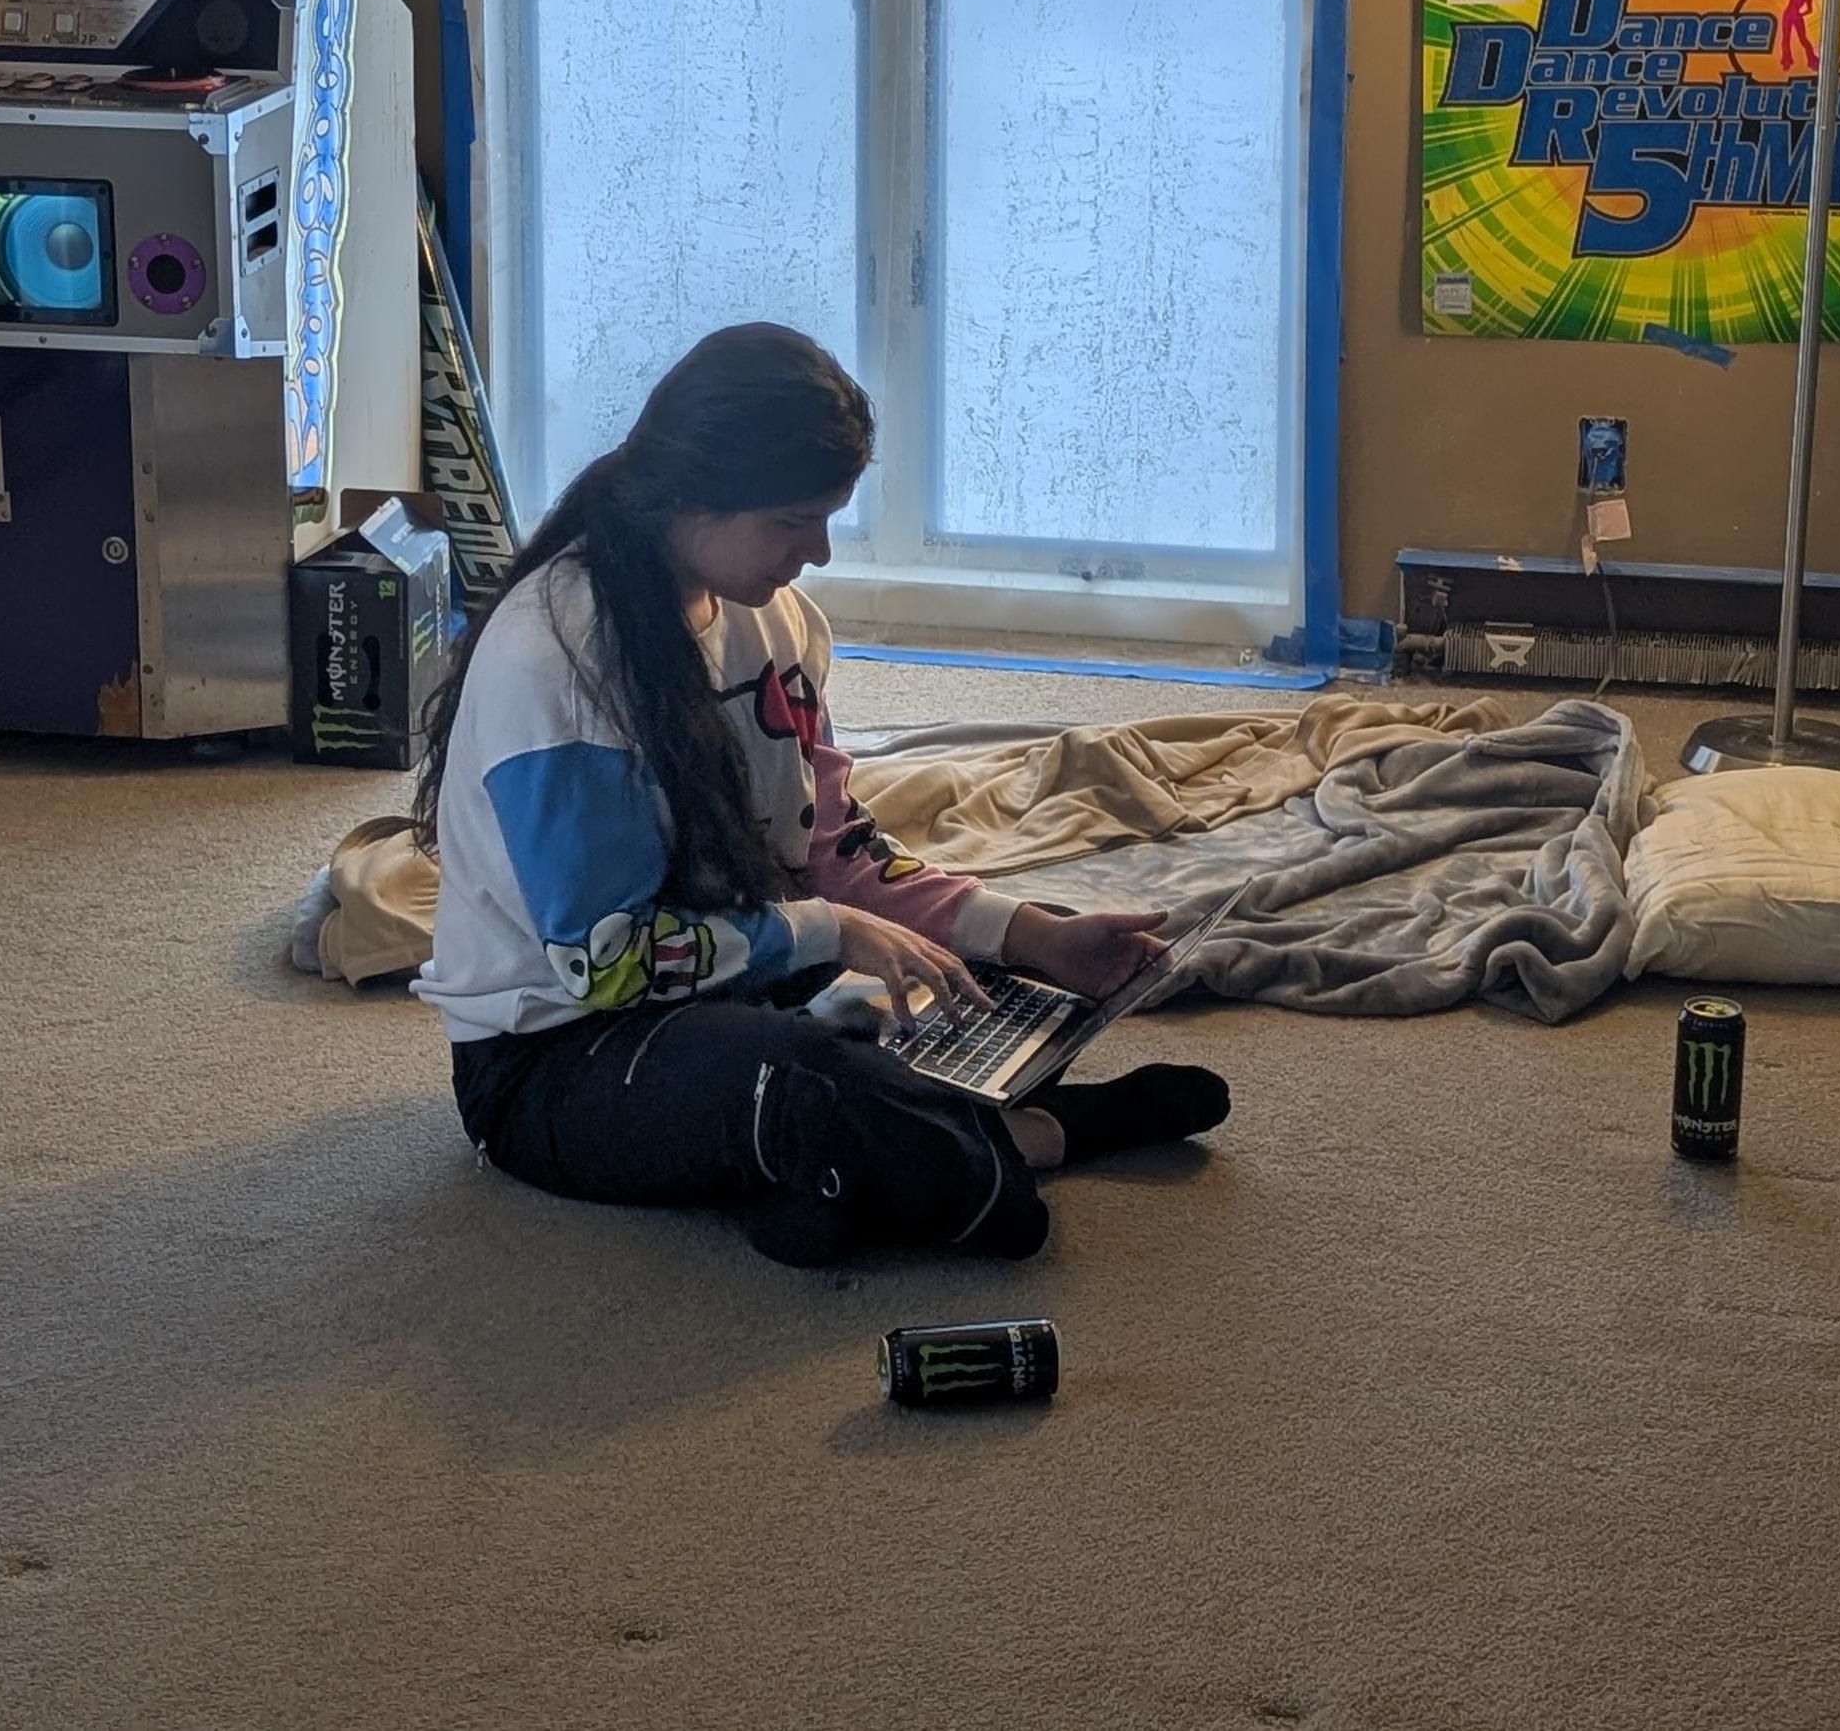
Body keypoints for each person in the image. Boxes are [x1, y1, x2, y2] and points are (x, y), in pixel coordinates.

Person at [412, 324, 1231, 1265]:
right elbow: (605, 965)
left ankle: (823, 1173)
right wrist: (826, 932)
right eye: (794, 521)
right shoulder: (554, 656)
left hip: (736, 985)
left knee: (942, 995)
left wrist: (1033, 935)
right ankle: (1035, 1138)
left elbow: (831, 850)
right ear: (694, 492)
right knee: (828, 1094)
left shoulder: (779, 622)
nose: (823, 553)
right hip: (553, 1056)